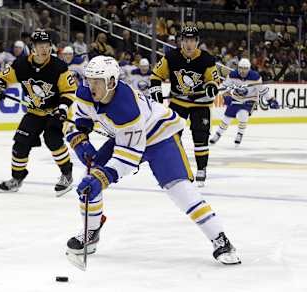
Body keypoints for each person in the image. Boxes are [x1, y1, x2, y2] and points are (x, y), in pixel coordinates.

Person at [65, 56, 240, 265]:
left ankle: (220, 239)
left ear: (111, 82)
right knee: (89, 180)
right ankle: (91, 231)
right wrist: (80, 140)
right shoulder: (85, 92)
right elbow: (78, 119)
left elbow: (129, 157)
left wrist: (103, 177)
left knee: (180, 189)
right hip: (126, 138)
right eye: (89, 80)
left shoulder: (125, 107)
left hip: (159, 137)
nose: (91, 86)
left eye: (97, 81)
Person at [0, 30, 77, 196]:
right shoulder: (21, 64)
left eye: (47, 45)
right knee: (20, 143)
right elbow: (2, 79)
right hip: (35, 111)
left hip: (56, 112)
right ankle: (17, 178)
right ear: (33, 47)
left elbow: (69, 91)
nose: (44, 49)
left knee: (52, 139)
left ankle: (67, 174)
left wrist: (63, 107)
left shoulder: (59, 67)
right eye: (40, 45)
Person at [149, 26, 220, 187]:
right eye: (186, 40)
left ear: (197, 42)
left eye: (192, 40)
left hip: (200, 104)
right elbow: (156, 75)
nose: (189, 44)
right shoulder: (171, 56)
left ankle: (201, 169)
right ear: (181, 41)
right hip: (178, 103)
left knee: (200, 137)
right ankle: (175, 169)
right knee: (171, 137)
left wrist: (211, 87)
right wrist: (156, 92)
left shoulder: (207, 59)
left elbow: (214, 81)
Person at [210, 58, 279, 146]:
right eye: (241, 68)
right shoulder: (232, 75)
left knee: (243, 115)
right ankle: (218, 134)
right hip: (236, 98)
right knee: (227, 117)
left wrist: (271, 100)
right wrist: (226, 96)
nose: (242, 71)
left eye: (245, 69)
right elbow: (225, 86)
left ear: (249, 69)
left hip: (250, 99)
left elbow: (263, 90)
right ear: (238, 68)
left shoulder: (255, 77)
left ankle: (240, 134)